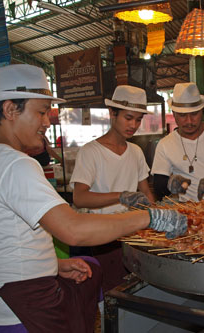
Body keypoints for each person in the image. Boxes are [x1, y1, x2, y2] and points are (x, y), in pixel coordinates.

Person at [0, 64, 187, 332]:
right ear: (10, 110)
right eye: (41, 112)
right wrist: (151, 216)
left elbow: (2, 244)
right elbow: (73, 229)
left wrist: (53, 266)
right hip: (24, 315)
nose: (47, 122)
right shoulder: (14, 164)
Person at [70, 84, 154, 291]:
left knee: (138, 287)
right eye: (128, 117)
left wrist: (157, 214)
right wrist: (122, 196)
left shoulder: (135, 151)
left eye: (138, 119)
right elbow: (80, 198)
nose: (133, 125)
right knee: (113, 289)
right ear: (112, 114)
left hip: (133, 231)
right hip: (104, 234)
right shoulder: (91, 152)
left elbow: (146, 192)